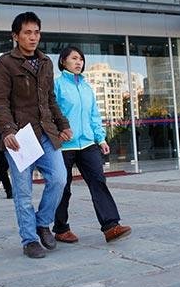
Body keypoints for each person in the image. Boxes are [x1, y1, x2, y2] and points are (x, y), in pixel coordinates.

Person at [0, 11, 72, 258]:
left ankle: (42, 222)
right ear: (15, 36)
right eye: (27, 32)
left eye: (36, 32)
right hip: (20, 136)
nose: (33, 37)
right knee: (23, 191)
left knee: (59, 179)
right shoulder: (5, 63)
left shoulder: (46, 62)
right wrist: (7, 130)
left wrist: (63, 124)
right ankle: (29, 240)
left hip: (46, 132)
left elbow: (50, 99)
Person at [53, 46, 132, 244]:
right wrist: (57, 133)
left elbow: (94, 116)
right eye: (74, 58)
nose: (78, 62)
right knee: (63, 188)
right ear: (63, 61)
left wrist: (101, 138)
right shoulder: (57, 85)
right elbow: (51, 113)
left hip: (88, 143)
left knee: (98, 182)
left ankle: (111, 226)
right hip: (65, 145)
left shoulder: (87, 88)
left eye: (81, 59)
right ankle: (61, 228)